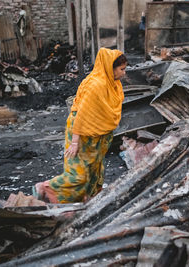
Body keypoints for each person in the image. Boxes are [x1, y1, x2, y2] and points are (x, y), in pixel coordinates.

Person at [33, 48, 127, 203]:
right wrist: (75, 142)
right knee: (78, 175)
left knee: (93, 170)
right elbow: (82, 114)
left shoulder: (113, 84)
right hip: (82, 132)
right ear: (110, 68)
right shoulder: (96, 85)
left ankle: (87, 200)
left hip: (97, 135)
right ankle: (45, 188)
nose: (124, 73)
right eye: (121, 69)